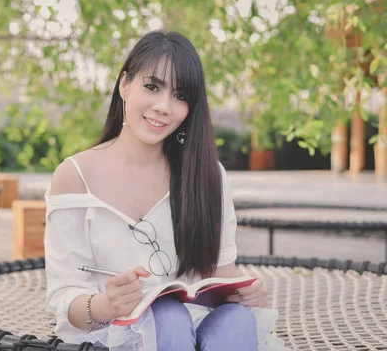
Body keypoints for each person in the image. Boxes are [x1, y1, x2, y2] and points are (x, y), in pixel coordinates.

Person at [44, 31, 271, 350]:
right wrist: (108, 304)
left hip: (197, 333)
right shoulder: (75, 176)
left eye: (180, 96)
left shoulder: (208, 176)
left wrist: (243, 295)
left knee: (237, 319)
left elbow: (219, 280)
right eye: (152, 86)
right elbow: (62, 298)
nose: (164, 106)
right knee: (166, 315)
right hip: (113, 335)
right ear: (124, 85)